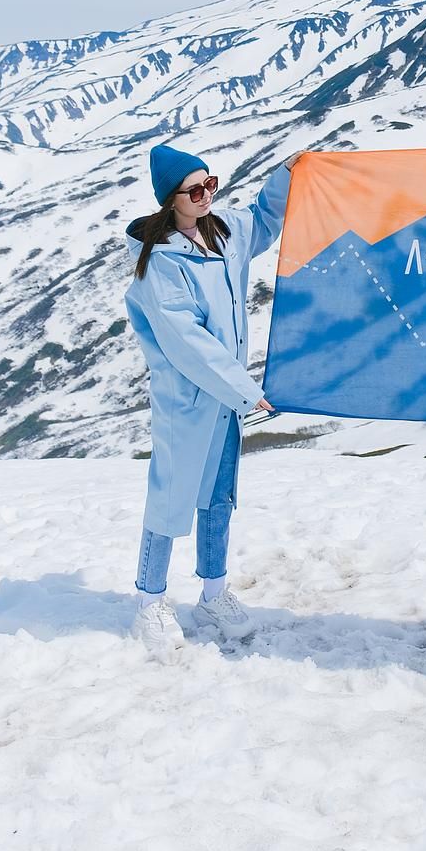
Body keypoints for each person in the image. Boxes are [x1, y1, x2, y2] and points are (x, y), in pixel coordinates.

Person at [124, 142, 299, 656]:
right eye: (193, 191)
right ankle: (149, 603)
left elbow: (265, 217)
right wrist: (246, 391)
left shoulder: (225, 233)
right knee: (171, 497)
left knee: (218, 496)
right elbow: (189, 343)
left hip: (223, 397)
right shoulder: (160, 263)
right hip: (188, 399)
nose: (205, 197)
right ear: (170, 200)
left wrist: (288, 173)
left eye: (210, 185)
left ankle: (213, 594)